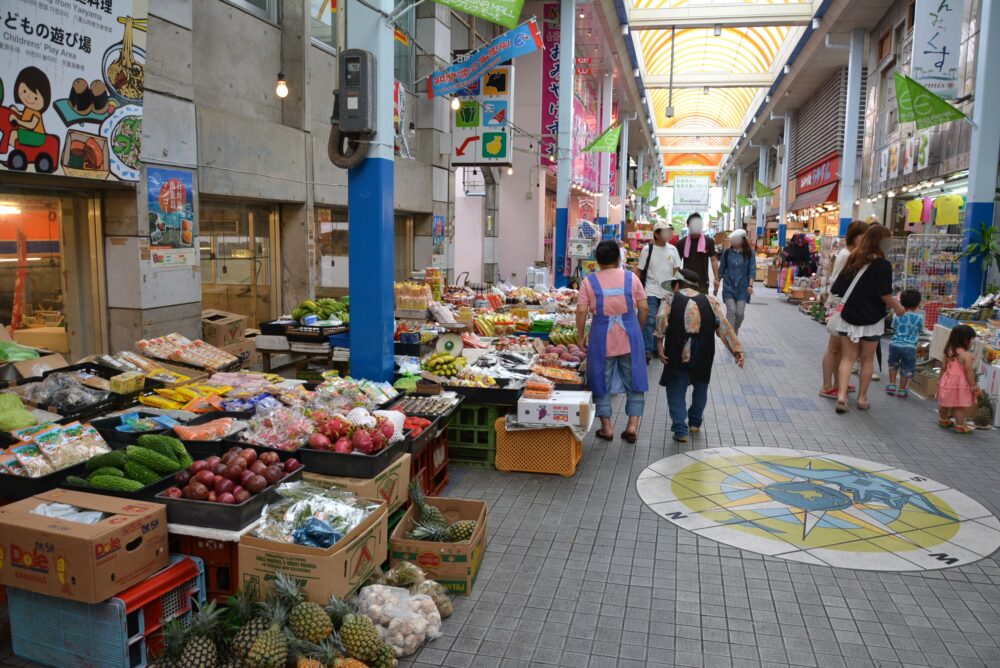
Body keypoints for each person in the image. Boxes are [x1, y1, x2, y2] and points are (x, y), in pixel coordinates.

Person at [655, 268, 746, 443]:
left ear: (677, 285)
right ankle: (695, 422)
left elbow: (660, 318)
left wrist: (659, 344)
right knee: (701, 383)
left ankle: (681, 430)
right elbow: (724, 326)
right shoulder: (710, 301)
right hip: (704, 348)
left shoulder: (671, 299)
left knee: (676, 385)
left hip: (676, 347)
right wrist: (737, 350)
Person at [576, 239, 649, 443]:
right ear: (619, 258)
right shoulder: (632, 278)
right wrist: (638, 330)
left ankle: (606, 428)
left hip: (601, 337)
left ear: (597, 261)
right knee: (635, 380)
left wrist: (580, 337)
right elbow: (644, 308)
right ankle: (632, 426)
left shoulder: (588, 281)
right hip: (630, 335)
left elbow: (581, 310)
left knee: (600, 380)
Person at [831, 225, 904, 413]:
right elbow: (884, 294)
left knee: (847, 358)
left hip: (849, 317)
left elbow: (837, 288)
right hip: (872, 319)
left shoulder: (853, 258)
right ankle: (862, 399)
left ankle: (841, 396)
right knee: (867, 360)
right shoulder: (883, 265)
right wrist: (897, 307)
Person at [819, 221, 868, 399]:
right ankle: (827, 385)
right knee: (834, 348)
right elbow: (838, 282)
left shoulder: (850, 254)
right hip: (840, 305)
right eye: (864, 235)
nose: (866, 239)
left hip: (840, 304)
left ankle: (839, 383)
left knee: (839, 349)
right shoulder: (846, 255)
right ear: (855, 236)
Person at [636, 221, 682, 362]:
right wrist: (635, 291)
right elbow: (639, 271)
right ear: (656, 234)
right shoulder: (647, 250)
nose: (669, 234)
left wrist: (678, 291)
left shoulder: (673, 250)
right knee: (650, 320)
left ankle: (657, 348)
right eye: (664, 231)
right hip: (650, 290)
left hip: (668, 292)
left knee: (662, 321)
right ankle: (647, 350)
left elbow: (677, 271)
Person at [936, 325, 981, 434]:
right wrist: (973, 385)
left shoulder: (948, 351)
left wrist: (940, 381)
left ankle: (943, 420)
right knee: (959, 406)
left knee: (945, 403)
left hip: (946, 381)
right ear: (965, 340)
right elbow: (969, 372)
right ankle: (960, 426)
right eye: (972, 339)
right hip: (959, 384)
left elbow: (943, 368)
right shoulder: (966, 355)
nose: (973, 342)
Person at [886, 289, 924, 398]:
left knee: (893, 365)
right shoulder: (919, 318)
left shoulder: (897, 314)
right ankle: (902, 389)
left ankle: (892, 385)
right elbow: (920, 329)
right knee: (906, 368)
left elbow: (893, 327)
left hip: (895, 344)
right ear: (918, 303)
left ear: (901, 302)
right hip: (910, 347)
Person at [718, 229, 756, 334]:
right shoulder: (727, 253)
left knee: (739, 313)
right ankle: (731, 337)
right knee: (731, 311)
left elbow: (752, 270)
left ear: (742, 240)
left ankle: (734, 330)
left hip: (743, 287)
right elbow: (721, 270)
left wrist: (750, 285)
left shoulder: (750, 253)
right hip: (728, 286)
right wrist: (717, 283)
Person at [673, 213, 718, 293]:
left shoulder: (709, 241)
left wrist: (716, 278)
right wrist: (675, 281)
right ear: (688, 225)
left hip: (703, 283)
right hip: (685, 282)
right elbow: (676, 264)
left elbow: (714, 260)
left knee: (701, 304)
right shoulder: (681, 243)